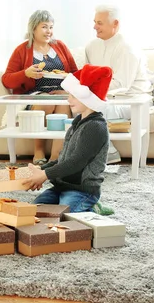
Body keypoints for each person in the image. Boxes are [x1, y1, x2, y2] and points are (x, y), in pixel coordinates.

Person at [22, 64, 113, 213]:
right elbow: (64, 159)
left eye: (73, 96)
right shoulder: (77, 123)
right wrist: (41, 169)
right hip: (61, 187)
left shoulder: (95, 127)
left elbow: (76, 162)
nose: (68, 100)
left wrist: (44, 175)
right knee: (35, 211)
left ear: (88, 98)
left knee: (64, 217)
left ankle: (93, 208)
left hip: (82, 190)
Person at [1, 10, 78, 164]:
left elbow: (75, 73)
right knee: (46, 103)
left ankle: (56, 157)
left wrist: (66, 89)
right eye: (44, 27)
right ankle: (39, 151)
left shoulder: (60, 46)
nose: (49, 31)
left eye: (51, 27)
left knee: (63, 107)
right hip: (35, 94)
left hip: (60, 93)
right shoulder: (22, 50)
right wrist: (26, 74)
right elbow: (6, 80)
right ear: (33, 28)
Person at [85, 5, 152, 163]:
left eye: (99, 23)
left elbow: (122, 84)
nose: (94, 26)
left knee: (95, 105)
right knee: (80, 103)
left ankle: (109, 152)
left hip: (132, 101)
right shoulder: (91, 46)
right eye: (94, 22)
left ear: (115, 24)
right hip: (107, 99)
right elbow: (86, 76)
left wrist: (88, 90)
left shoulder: (127, 48)